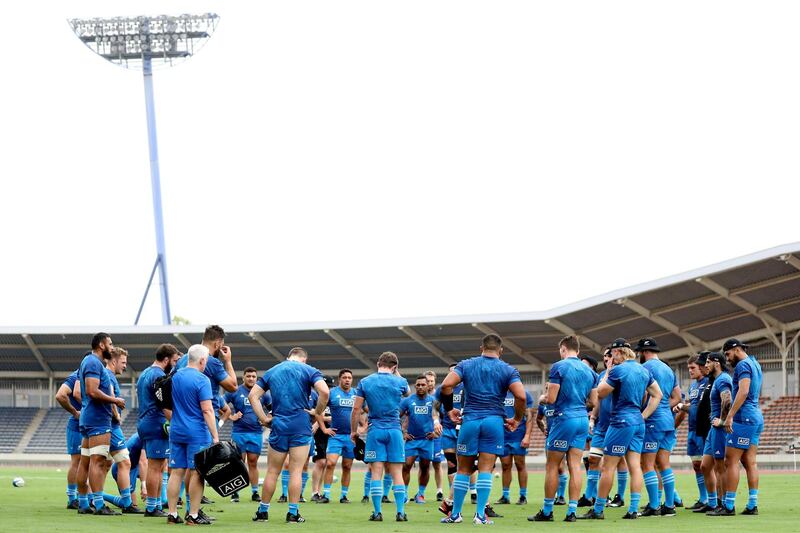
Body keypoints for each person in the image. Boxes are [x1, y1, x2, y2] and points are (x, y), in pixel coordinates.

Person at [440, 334, 527, 526]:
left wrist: (449, 410)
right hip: (494, 422)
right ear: (501, 350)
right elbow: (521, 397)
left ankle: (455, 515)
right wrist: (517, 419)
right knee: (486, 469)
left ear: (481, 348)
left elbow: (446, 385)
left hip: (470, 420)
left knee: (463, 469)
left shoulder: (466, 365)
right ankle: (480, 515)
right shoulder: (508, 369)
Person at [582, 339, 662, 520]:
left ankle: (598, 509)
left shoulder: (618, 370)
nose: (611, 357)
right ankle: (633, 509)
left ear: (618, 352)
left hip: (620, 422)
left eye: (612, 354)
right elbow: (658, 394)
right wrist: (644, 415)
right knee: (635, 466)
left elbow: (600, 393)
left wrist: (609, 370)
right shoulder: (643, 370)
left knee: (608, 468)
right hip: (638, 422)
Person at [250, 347, 329, 523]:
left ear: (288, 357)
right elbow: (324, 392)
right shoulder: (309, 370)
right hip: (300, 424)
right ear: (304, 359)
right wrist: (317, 411)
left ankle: (263, 511)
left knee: (272, 471)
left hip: (279, 424)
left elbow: (252, 396)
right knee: (296, 471)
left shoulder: (273, 370)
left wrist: (264, 419)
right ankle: (293, 513)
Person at [529, 335, 597, 523]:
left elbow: (550, 399)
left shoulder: (559, 366)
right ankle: (571, 512)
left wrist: (542, 398)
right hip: (582, 419)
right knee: (575, 466)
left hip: (563, 419)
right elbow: (593, 402)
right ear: (579, 350)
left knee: (552, 466)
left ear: (563, 349)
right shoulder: (590, 372)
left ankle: (547, 511)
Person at [350, 351, 411, 522]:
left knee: (376, 472)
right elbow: (406, 393)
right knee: (396, 473)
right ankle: (400, 512)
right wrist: (396, 372)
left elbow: (356, 410)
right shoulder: (400, 381)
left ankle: (377, 513)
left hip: (375, 430)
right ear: (394, 367)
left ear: (378, 364)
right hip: (394, 430)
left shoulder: (365, 382)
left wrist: (354, 431)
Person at [166, 344, 219, 525]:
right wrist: (215, 436)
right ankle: (193, 515)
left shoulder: (175, 376)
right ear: (202, 360)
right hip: (196, 432)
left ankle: (172, 514)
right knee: (197, 473)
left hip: (176, 430)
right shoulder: (202, 379)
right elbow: (207, 410)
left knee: (176, 473)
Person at [76, 332, 125, 516]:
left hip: (90, 418)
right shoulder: (93, 362)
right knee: (98, 461)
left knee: (86, 461)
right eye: (110, 344)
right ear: (102, 345)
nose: (112, 347)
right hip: (97, 420)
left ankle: (83, 503)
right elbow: (92, 391)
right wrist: (115, 400)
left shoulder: (89, 362)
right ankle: (98, 504)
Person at [636, 337, 681, 517]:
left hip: (653, 421)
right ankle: (669, 506)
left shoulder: (645, 368)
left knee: (647, 464)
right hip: (668, 421)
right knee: (664, 463)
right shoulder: (668, 369)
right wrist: (663, 408)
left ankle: (654, 505)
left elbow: (644, 397)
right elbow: (677, 397)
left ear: (643, 352)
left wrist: (644, 412)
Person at [718, 339, 763, 516]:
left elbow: (743, 391)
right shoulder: (754, 363)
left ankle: (729, 506)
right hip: (755, 416)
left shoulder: (743, 365)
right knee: (749, 462)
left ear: (736, 349)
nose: (727, 359)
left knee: (731, 461)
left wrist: (729, 416)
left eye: (728, 354)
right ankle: (753, 504)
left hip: (743, 418)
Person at [136, 343, 181, 517]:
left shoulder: (146, 373)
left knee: (159, 465)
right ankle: (152, 507)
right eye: (175, 361)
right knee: (156, 467)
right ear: (166, 359)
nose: (175, 365)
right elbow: (164, 404)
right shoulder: (158, 375)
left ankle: (154, 505)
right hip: (156, 423)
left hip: (146, 422)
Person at [100, 347, 141, 513]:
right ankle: (126, 502)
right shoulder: (108, 375)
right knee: (125, 462)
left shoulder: (106, 375)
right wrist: (116, 415)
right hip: (111, 426)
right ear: (114, 361)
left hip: (104, 426)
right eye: (123, 362)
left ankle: (93, 496)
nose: (125, 366)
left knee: (104, 464)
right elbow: (110, 398)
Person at [224, 367, 272, 503]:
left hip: (256, 433)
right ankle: (235, 492)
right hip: (239, 432)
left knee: (253, 463)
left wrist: (266, 419)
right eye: (248, 376)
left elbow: (272, 409)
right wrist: (230, 416)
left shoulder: (262, 393)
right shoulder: (235, 391)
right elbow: (219, 404)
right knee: (238, 463)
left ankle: (255, 492)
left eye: (253, 376)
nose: (251, 378)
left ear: (256, 378)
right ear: (243, 377)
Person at [674, 352, 710, 509]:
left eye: (693, 367)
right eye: (688, 368)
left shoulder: (708, 383)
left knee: (706, 466)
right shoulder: (693, 386)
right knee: (697, 465)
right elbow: (690, 408)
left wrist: (682, 406)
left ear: (701, 367)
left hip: (704, 430)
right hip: (692, 430)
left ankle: (711, 499)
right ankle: (703, 499)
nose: (690, 370)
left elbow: (699, 409)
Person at [697, 352, 731, 515]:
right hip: (713, 429)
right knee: (705, 466)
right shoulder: (717, 380)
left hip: (719, 429)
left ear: (717, 363)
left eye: (708, 362)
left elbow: (728, 399)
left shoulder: (723, 379)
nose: (706, 366)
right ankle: (713, 502)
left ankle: (724, 505)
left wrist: (723, 421)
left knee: (720, 468)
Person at [400, 375, 442, 504]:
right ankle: (404, 493)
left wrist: (435, 432)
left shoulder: (433, 401)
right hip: (411, 440)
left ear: (427, 386)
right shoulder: (407, 401)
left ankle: (421, 494)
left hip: (427, 440)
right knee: (406, 465)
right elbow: (396, 417)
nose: (419, 387)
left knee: (425, 467)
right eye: (417, 385)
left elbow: (437, 416)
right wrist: (403, 432)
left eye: (422, 384)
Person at [319, 369, 357, 503]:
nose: (347, 380)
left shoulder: (356, 394)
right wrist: (324, 428)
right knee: (330, 463)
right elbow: (319, 411)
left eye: (349, 378)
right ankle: (326, 495)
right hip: (336, 435)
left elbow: (364, 411)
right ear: (340, 379)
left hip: (351, 437)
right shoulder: (332, 393)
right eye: (345, 377)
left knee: (347, 466)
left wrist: (363, 427)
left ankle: (344, 496)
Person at [496, 385, 534, 505]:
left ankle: (523, 496)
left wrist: (527, 435)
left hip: (518, 435)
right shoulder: (499, 394)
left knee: (520, 465)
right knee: (505, 465)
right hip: (503, 436)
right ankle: (505, 496)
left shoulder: (524, 394)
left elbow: (529, 416)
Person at [434, 362, 464, 513]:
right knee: (452, 464)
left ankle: (469, 494)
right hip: (447, 430)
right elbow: (434, 405)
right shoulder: (442, 389)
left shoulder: (467, 387)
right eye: (451, 372)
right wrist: (436, 421)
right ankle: (453, 500)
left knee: (467, 464)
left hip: (463, 429)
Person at [55, 367, 83, 509]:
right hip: (77, 425)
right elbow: (60, 395)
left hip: (87, 425)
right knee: (77, 461)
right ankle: (72, 498)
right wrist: (74, 411)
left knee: (86, 462)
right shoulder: (75, 377)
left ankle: (82, 496)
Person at [536, 397, 568, 505]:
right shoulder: (543, 405)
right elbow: (539, 419)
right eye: (546, 387)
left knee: (560, 467)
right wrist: (543, 428)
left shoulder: (560, 401)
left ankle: (561, 496)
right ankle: (553, 495)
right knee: (551, 466)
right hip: (550, 438)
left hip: (562, 436)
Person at [424, 370, 445, 501]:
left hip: (436, 435)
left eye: (432, 381)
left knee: (437, 464)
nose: (430, 383)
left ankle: (439, 491)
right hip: (423, 436)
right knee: (423, 465)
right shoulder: (418, 397)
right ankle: (421, 492)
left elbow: (443, 414)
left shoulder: (439, 397)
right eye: (427, 381)